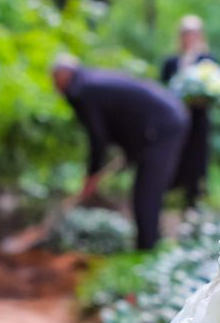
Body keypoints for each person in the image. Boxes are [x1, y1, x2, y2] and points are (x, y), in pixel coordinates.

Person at [52, 55, 188, 250]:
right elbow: (118, 120)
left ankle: (147, 248)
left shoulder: (82, 91)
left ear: (65, 74)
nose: (55, 86)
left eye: (55, 79)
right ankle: (150, 241)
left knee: (146, 191)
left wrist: (91, 176)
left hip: (163, 125)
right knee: (146, 190)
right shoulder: (88, 83)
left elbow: (98, 138)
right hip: (158, 123)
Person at [161, 15, 215, 208]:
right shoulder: (170, 61)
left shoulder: (206, 60)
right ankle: (171, 190)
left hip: (199, 117)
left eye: (193, 33)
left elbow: (215, 88)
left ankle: (194, 194)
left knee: (197, 154)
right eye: (186, 33)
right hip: (175, 118)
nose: (189, 37)